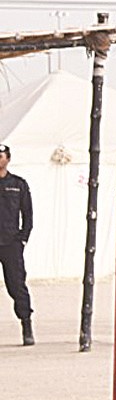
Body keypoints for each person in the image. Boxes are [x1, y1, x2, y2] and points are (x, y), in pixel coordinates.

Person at [0, 143, 34, 346]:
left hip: (11, 243)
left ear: (8, 159)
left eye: (1, 155)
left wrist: (22, 239)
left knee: (16, 285)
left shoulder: (18, 184)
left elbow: (27, 214)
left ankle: (26, 324)